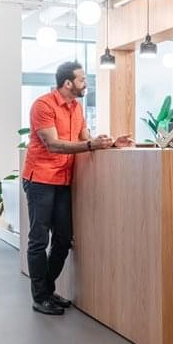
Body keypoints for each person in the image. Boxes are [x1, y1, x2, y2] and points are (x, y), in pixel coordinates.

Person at [23, 60, 130, 315]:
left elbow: (85, 139)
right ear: (68, 83)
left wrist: (110, 143)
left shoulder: (77, 107)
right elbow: (53, 144)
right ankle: (40, 298)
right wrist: (91, 145)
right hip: (40, 179)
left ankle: (46, 290)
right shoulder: (43, 105)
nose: (87, 84)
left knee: (63, 239)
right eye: (83, 80)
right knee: (39, 240)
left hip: (63, 180)